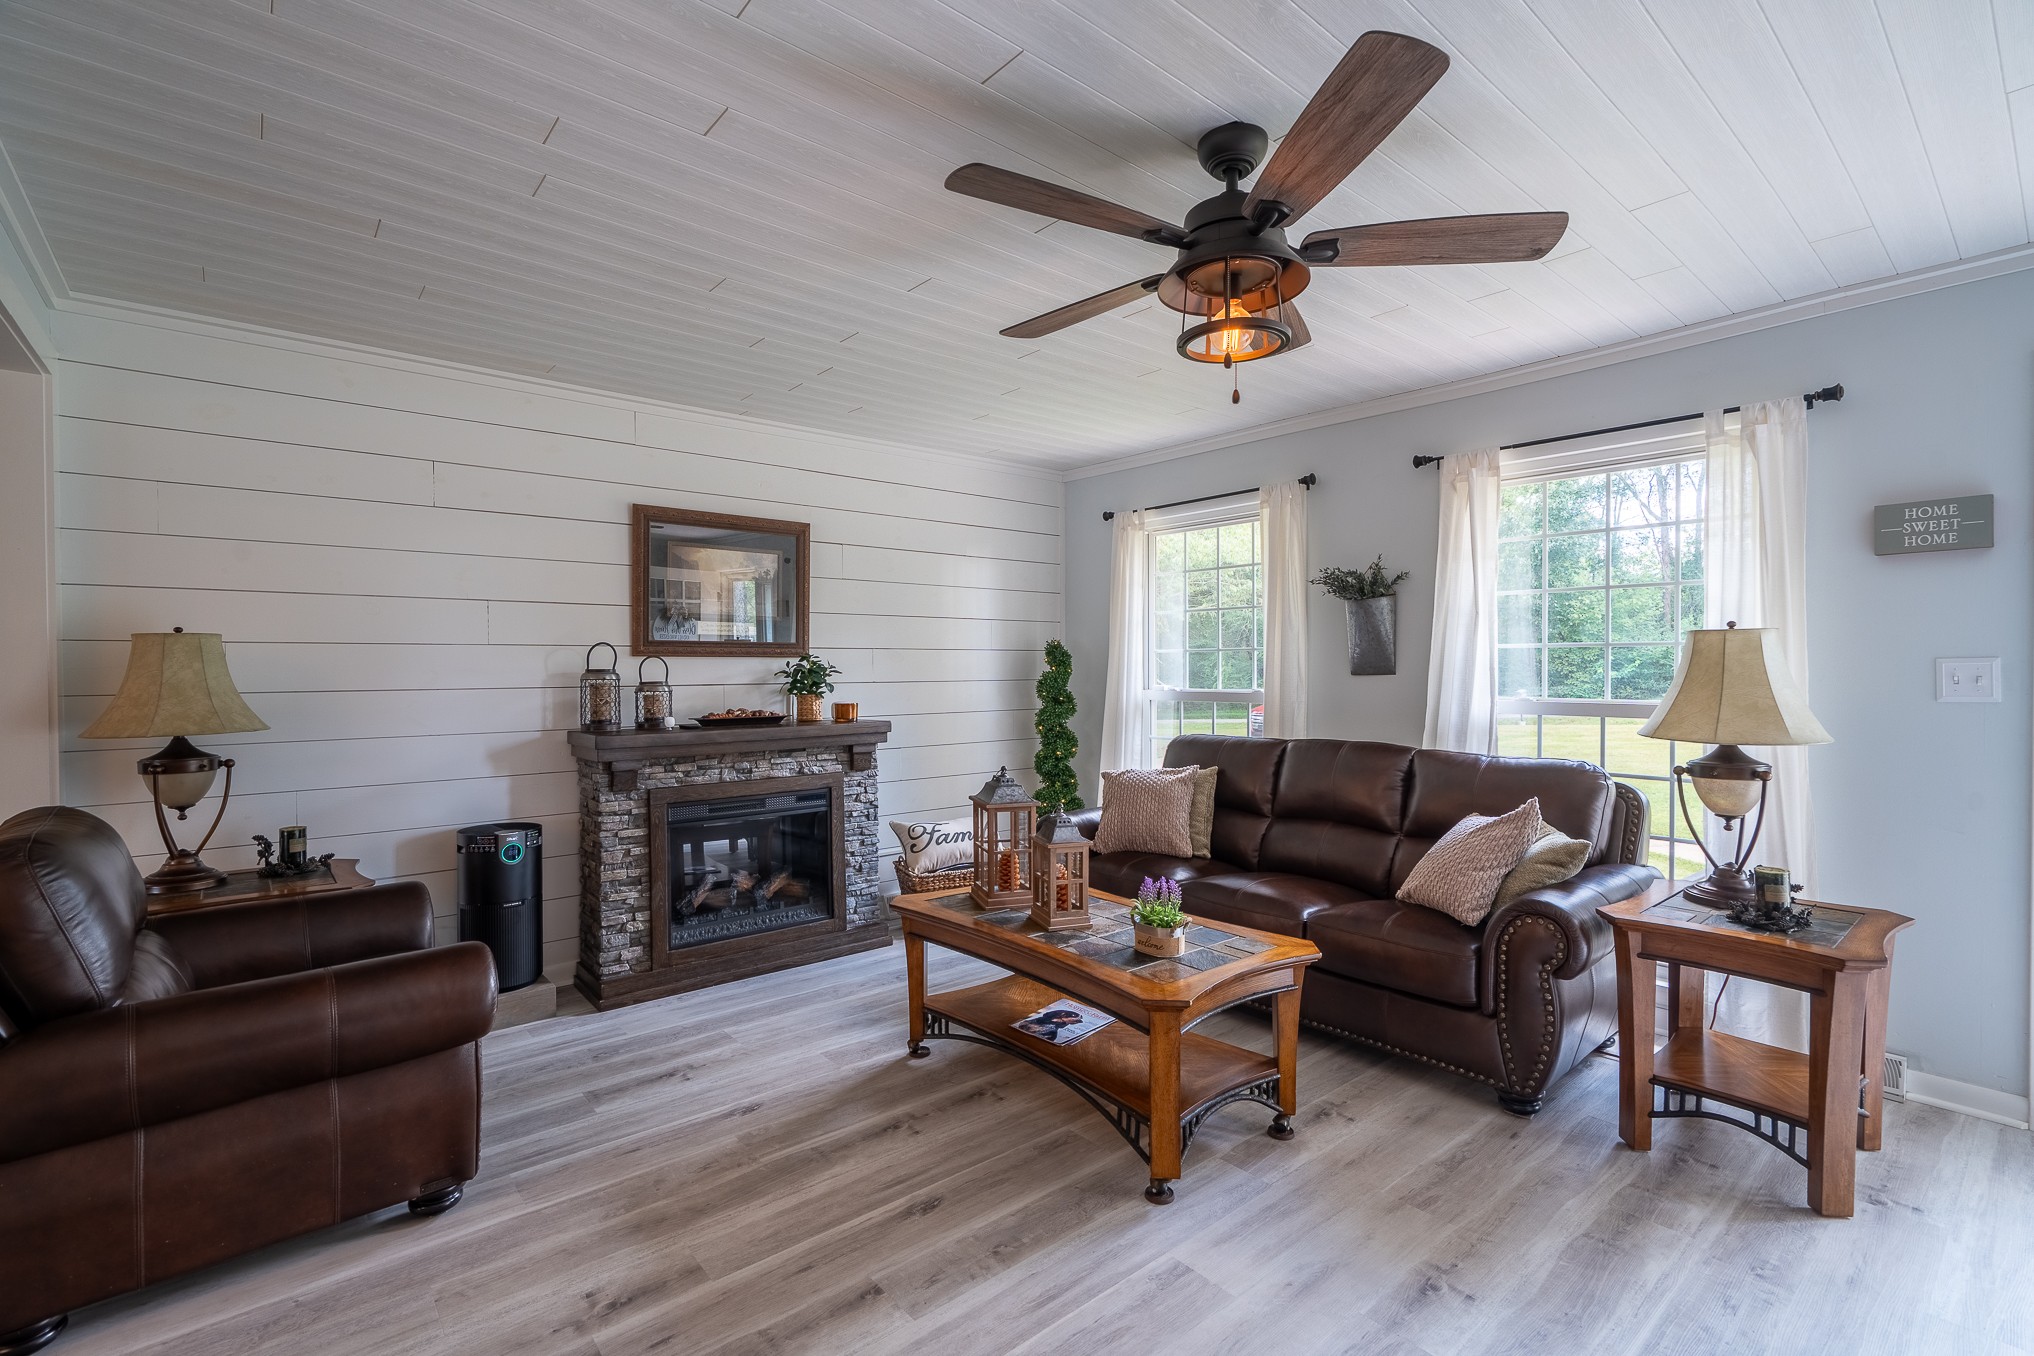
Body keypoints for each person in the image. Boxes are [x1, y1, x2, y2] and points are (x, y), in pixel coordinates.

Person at [1014, 1008, 1087, 1043]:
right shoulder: (1050, 1017)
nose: (1075, 1021)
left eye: (1076, 1021)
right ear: (1064, 1015)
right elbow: (1044, 1017)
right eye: (1074, 1019)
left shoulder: (1061, 1025)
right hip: (1029, 1027)